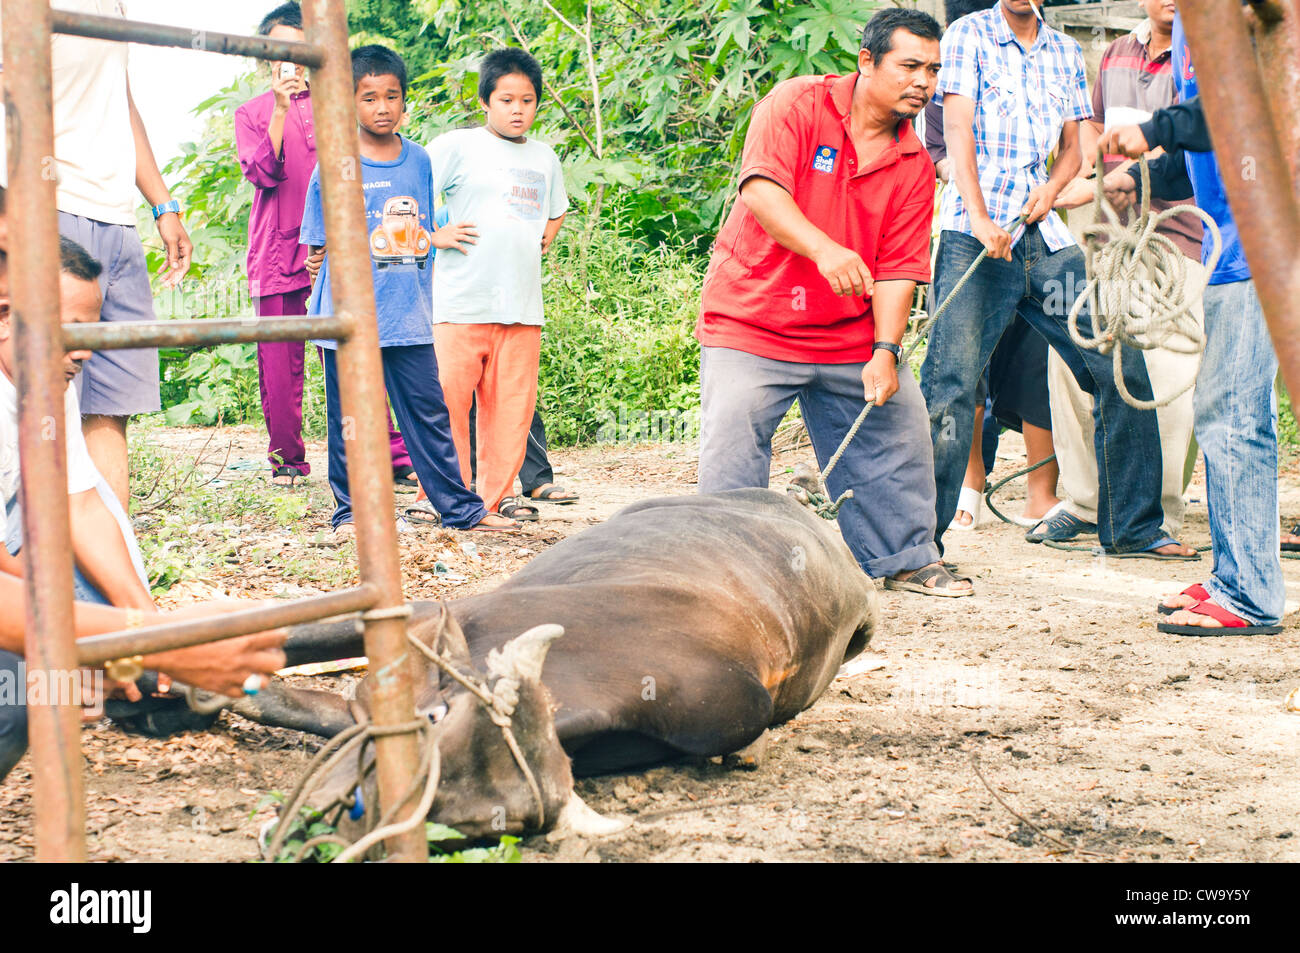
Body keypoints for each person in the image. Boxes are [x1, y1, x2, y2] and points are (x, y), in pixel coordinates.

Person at [697, 8, 972, 597]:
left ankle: (905, 557)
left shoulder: (915, 164)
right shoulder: (796, 104)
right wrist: (825, 250)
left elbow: (899, 268)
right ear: (867, 62)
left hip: (848, 335)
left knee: (900, 430)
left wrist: (885, 350)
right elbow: (762, 188)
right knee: (733, 441)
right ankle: (726, 569)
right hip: (754, 320)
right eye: (910, 66)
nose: (923, 81)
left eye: (932, 69)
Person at [921, 0, 1195, 561]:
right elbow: (956, 134)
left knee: (1117, 361)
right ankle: (917, 542)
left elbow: (1075, 147)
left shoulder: (1066, 51)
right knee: (950, 384)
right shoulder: (967, 36)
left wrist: (1053, 188)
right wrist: (976, 216)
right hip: (974, 235)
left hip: (1043, 239)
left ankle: (1134, 528)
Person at [1101, 22, 1285, 635]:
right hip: (1235, 241)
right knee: (1223, 411)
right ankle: (1234, 575)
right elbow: (1216, 142)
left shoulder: (1243, 14)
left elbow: (1242, 107)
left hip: (1269, 240)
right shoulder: (1191, 26)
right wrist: (1151, 173)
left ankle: (1252, 595)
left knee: (1235, 414)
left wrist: (1151, 132)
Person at [301, 45, 517, 536]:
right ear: (348, 103)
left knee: (430, 417)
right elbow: (318, 246)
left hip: (409, 314)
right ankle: (352, 513)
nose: (382, 107)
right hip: (350, 320)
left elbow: (419, 228)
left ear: (404, 101)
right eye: (369, 97)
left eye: (391, 96)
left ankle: (460, 509)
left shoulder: (419, 160)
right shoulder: (334, 163)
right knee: (353, 424)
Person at [0, 0, 196, 514]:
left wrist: (162, 204)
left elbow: (118, 100)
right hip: (50, 205)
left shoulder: (111, 4)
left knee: (111, 404)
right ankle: (37, 559)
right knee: (43, 396)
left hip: (116, 215)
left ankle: (116, 561)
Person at [1041, 0, 1204, 547]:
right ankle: (1087, 501)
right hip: (1112, 235)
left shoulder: (1204, 56)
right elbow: (1092, 129)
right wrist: (1087, 177)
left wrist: (1137, 171)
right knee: (1072, 354)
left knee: (1164, 365)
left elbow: (1201, 145)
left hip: (1179, 236)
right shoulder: (1114, 54)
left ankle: (1156, 513)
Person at [237, 2, 418, 491]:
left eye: (300, 44)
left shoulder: (341, 103)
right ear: (266, 54)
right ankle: (287, 461)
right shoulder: (251, 112)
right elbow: (262, 173)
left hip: (339, 249)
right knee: (279, 363)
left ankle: (389, 454)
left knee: (354, 352)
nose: (290, 57)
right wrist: (278, 106)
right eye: (279, 47)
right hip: (276, 252)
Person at [921, 0, 1060, 530]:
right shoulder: (944, 87)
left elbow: (1064, 151)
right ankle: (967, 485)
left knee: (1033, 361)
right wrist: (978, 210)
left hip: (1033, 230)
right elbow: (940, 153)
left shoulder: (1049, 65)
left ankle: (1040, 492)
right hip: (971, 234)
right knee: (962, 370)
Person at [427, 48, 569, 523]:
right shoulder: (455, 146)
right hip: (460, 302)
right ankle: (445, 495)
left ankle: (497, 495)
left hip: (522, 307)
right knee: (447, 402)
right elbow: (410, 197)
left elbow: (557, 208)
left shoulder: (544, 156)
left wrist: (545, 237)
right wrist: (432, 235)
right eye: (506, 99)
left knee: (510, 410)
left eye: (527, 100)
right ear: (485, 100)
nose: (517, 109)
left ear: (536, 104)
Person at [2, 238, 153, 616]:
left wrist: (146, 622)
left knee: (95, 495)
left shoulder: (46, 378)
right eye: (71, 330)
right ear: (6, 317)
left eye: (90, 333)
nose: (85, 351)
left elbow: (80, 506)